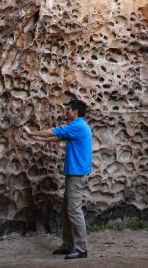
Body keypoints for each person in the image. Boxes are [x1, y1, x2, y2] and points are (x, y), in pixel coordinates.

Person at [27, 99, 92, 260]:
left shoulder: (77, 126)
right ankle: (69, 245)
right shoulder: (78, 127)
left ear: (75, 112)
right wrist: (40, 140)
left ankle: (81, 248)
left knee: (74, 211)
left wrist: (32, 133)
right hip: (74, 174)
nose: (66, 112)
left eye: (68, 109)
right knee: (67, 210)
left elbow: (53, 132)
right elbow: (58, 137)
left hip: (76, 175)